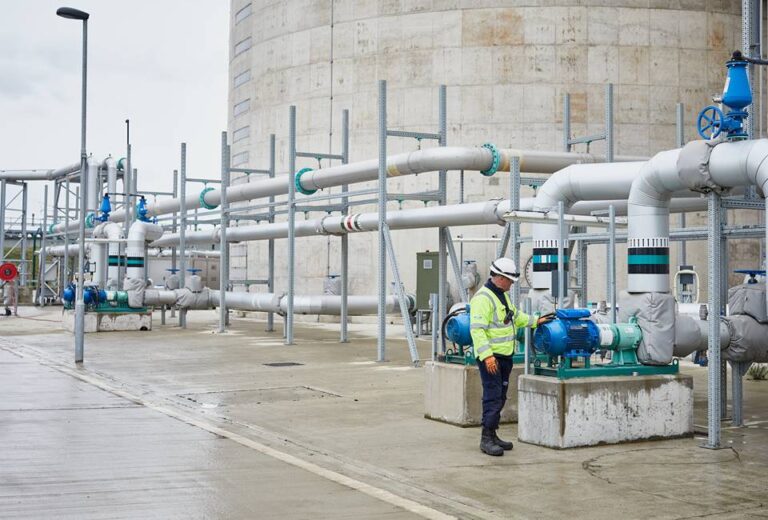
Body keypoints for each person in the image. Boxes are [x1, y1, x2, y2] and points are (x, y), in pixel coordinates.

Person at [469, 257, 553, 456]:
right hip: (491, 358)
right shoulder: (483, 298)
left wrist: (536, 321)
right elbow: (477, 330)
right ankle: (486, 438)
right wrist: (487, 356)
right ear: (498, 278)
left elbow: (515, 316)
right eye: (509, 280)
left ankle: (493, 432)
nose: (511, 284)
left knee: (500, 396)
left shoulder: (501, 296)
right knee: (492, 396)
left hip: (504, 356)